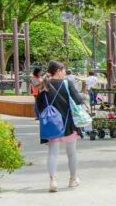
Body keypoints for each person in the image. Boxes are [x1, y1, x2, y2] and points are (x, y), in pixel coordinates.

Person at [35, 61, 85, 192]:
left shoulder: (43, 85)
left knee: (52, 154)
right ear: (58, 70)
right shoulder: (66, 83)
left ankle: (53, 181)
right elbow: (78, 101)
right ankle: (73, 179)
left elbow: (39, 106)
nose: (65, 72)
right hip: (68, 123)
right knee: (72, 152)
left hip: (52, 124)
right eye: (63, 70)